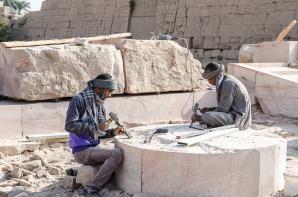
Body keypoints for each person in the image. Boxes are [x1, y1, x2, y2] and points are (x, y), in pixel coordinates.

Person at [65, 73, 123, 194]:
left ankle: (77, 173)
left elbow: (98, 132)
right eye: (109, 91)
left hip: (93, 147)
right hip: (81, 150)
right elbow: (70, 126)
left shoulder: (99, 104)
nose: (110, 95)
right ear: (99, 88)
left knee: (117, 160)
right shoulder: (79, 100)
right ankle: (91, 188)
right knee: (116, 154)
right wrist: (95, 126)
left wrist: (113, 132)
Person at [191, 62, 251, 130]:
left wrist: (199, 117)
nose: (209, 82)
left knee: (206, 116)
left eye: (210, 79)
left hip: (239, 119)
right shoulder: (225, 81)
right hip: (232, 114)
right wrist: (210, 109)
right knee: (207, 114)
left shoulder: (228, 85)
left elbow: (223, 110)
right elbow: (224, 107)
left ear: (218, 76)